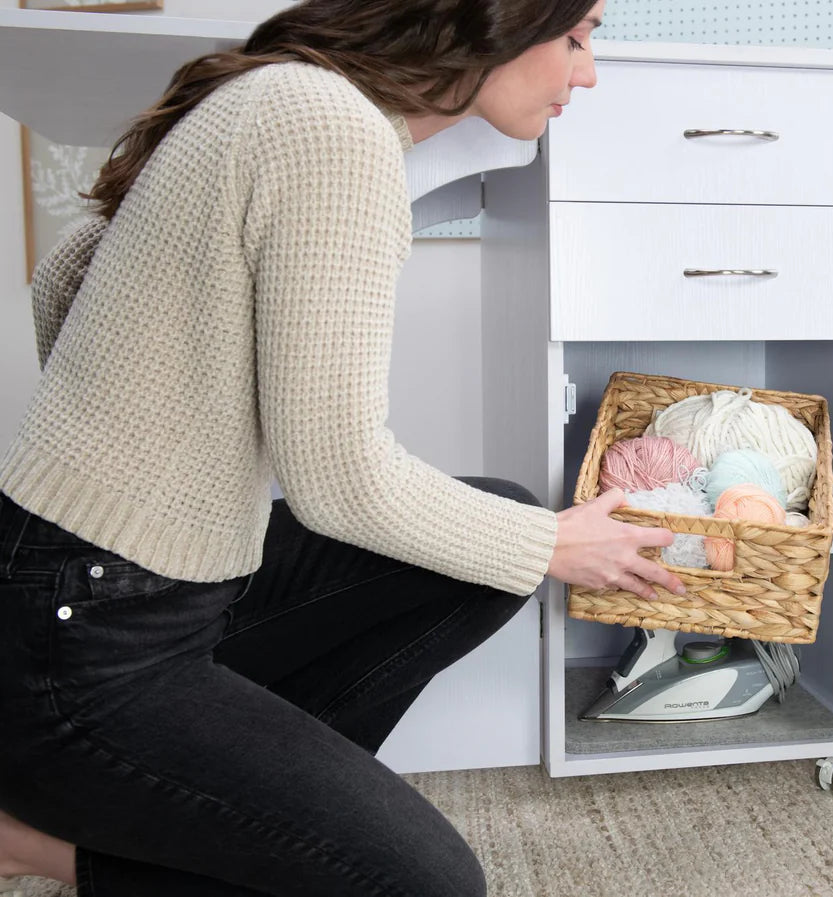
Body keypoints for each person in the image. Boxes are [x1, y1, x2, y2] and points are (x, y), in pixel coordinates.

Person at [0, 0, 685, 894]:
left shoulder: (284, 96)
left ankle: (241, 794)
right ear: (499, 18)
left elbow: (67, 274)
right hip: (91, 641)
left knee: (495, 534)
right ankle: (32, 844)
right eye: (577, 36)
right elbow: (340, 479)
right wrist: (561, 545)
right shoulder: (332, 130)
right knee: (422, 884)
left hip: (87, 583)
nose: (585, 71)